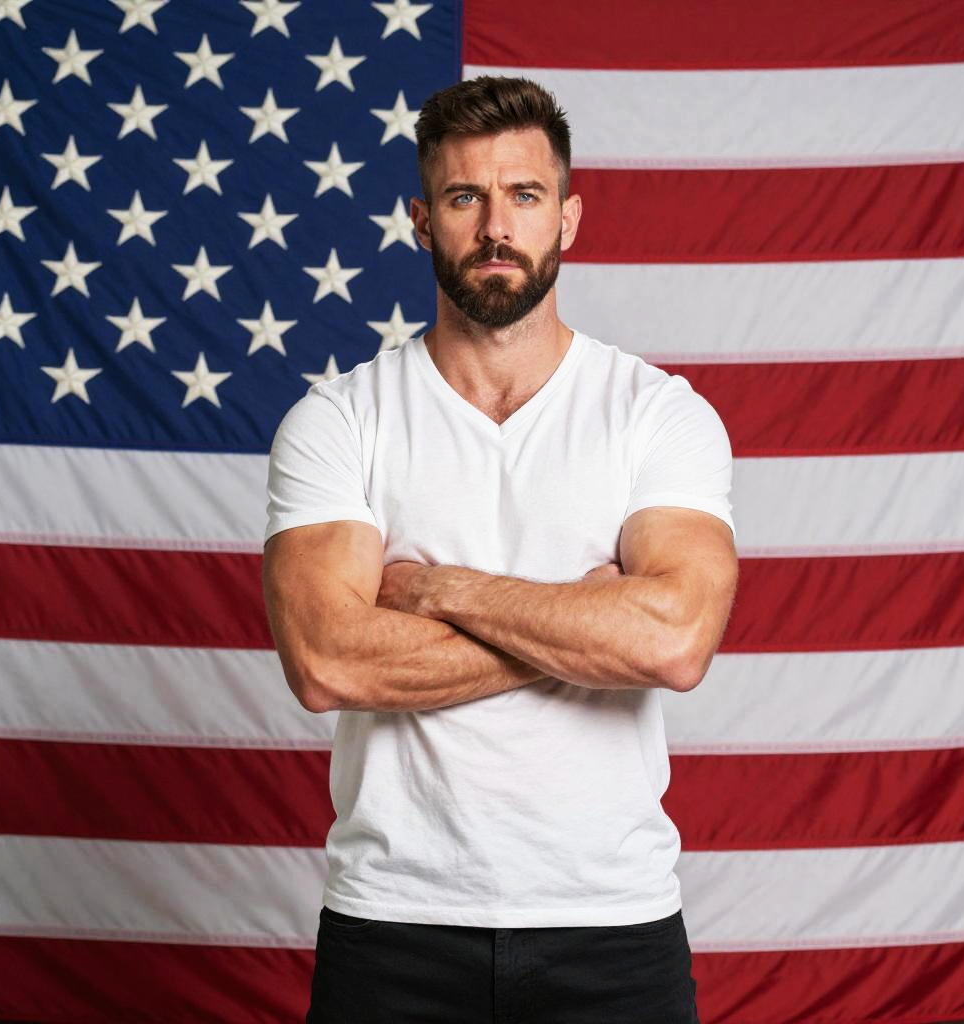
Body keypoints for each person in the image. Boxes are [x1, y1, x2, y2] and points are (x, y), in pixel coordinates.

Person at [263, 75, 738, 1024]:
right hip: (393, 921)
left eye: (523, 196)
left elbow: (674, 642)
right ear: (419, 220)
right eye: (463, 197)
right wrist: (588, 615)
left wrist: (436, 588)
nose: (495, 226)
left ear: (568, 217)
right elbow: (323, 661)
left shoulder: (658, 415)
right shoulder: (339, 420)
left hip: (613, 924)